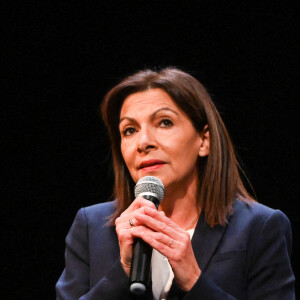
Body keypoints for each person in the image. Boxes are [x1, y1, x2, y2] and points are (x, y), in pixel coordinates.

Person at [56, 68, 295, 299]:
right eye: (129, 130)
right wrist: (124, 271)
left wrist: (194, 281)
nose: (143, 142)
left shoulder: (260, 227)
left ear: (204, 140)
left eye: (165, 123)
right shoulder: (91, 226)